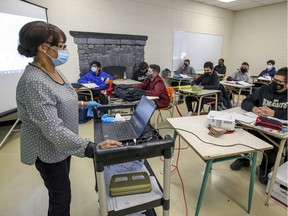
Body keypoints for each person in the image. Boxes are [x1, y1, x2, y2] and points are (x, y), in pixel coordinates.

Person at [16, 21, 122, 216]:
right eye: (61, 46)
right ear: (43, 47)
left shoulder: (52, 70)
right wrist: (92, 148)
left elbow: (61, 99)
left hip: (62, 145)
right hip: (47, 148)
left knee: (62, 192)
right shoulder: (34, 81)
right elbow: (52, 129)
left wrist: (84, 104)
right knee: (61, 198)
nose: (65, 50)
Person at [230, 67, 288, 185]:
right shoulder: (264, 89)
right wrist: (254, 108)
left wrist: (274, 113)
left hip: (277, 129)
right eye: (274, 80)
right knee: (243, 131)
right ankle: (244, 158)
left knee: (273, 142)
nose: (275, 83)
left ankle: (265, 169)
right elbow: (247, 101)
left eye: (280, 82)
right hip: (258, 124)